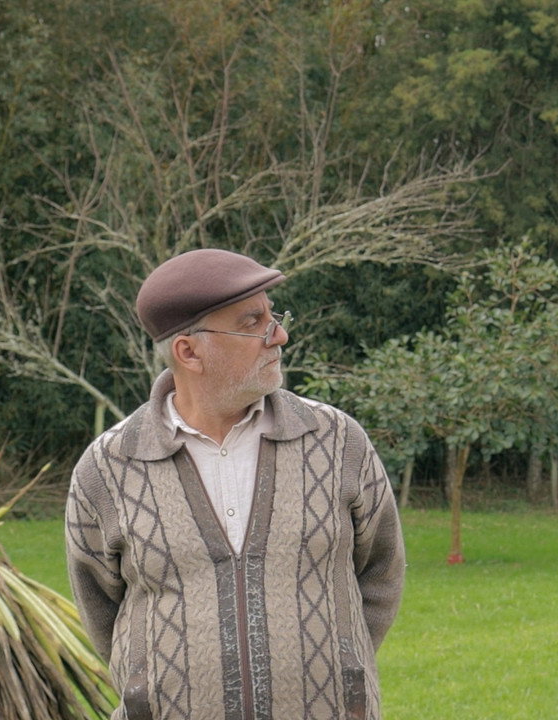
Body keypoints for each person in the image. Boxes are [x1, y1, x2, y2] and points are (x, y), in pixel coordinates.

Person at [66, 249, 406, 720]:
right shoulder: (108, 467)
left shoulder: (337, 441)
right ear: (189, 352)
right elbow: (99, 607)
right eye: (253, 323)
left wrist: (341, 666)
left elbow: (381, 572)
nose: (279, 335)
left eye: (274, 317)